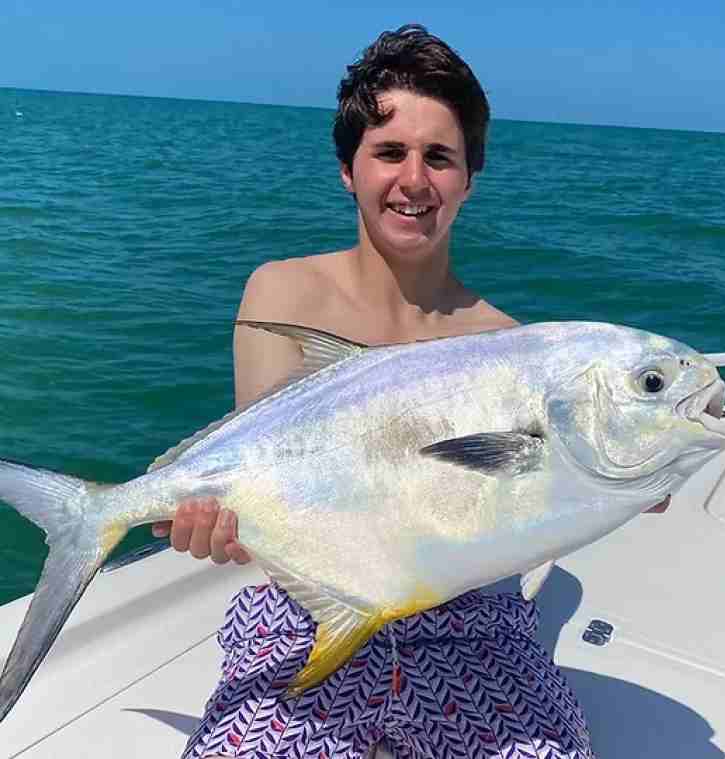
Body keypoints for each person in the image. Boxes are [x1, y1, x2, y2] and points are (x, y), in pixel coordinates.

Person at [155, 24, 596, 759]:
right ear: (348, 170)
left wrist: (621, 479)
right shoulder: (282, 294)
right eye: (390, 152)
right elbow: (267, 484)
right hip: (306, 616)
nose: (414, 180)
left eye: (439, 157)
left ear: (469, 178)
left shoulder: (507, 345)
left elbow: (534, 503)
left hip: (470, 628)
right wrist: (220, 524)